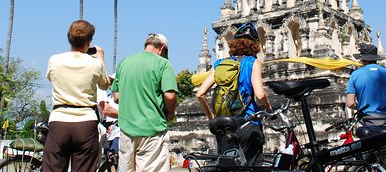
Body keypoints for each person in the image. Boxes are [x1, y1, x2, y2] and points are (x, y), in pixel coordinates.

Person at [195, 21, 272, 165]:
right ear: (255, 45)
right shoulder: (252, 62)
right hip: (248, 124)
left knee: (227, 166)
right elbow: (260, 95)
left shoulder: (219, 64)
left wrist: (212, 118)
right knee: (251, 166)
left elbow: (200, 94)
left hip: (224, 127)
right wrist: (268, 108)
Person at [43, 20, 110, 172]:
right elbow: (105, 84)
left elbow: (51, 78)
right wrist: (100, 58)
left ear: (69, 38)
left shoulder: (54, 60)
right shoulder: (95, 63)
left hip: (59, 120)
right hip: (86, 122)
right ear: (89, 40)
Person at [112, 33, 178, 172]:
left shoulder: (125, 62)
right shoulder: (162, 63)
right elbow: (170, 96)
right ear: (162, 48)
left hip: (126, 130)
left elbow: (116, 97)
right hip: (152, 129)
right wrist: (170, 114)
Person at [346, 43, 386, 127]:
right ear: (376, 59)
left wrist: (363, 106)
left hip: (366, 121)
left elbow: (350, 104)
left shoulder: (355, 75)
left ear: (362, 59)